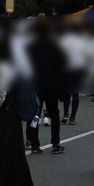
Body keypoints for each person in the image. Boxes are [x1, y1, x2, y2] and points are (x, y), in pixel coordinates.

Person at [27, 19, 68, 153]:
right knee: (54, 114)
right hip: (51, 85)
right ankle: (55, 143)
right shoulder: (55, 47)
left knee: (35, 115)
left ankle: (34, 143)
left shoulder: (31, 47)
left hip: (36, 85)